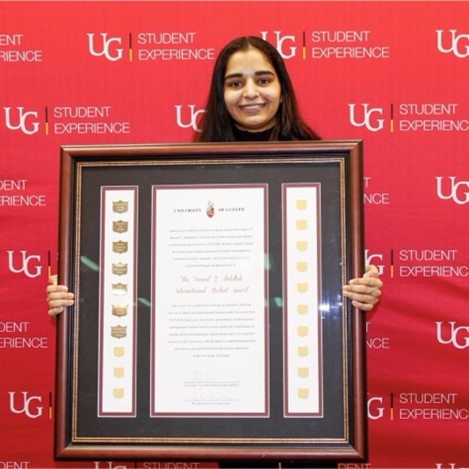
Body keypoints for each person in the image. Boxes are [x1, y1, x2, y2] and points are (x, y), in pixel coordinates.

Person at [47, 36, 382, 317]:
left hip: (292, 328)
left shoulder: (322, 168)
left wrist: (360, 283)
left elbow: (333, 257)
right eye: (236, 83)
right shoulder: (189, 171)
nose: (250, 93)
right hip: (210, 335)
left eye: (263, 80)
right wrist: (82, 292)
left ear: (282, 88)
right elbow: (152, 267)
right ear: (221, 94)